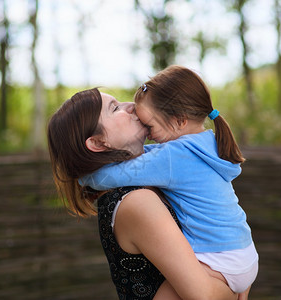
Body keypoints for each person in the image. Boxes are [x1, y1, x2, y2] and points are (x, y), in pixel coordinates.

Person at [80, 65, 259, 295]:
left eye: (150, 126)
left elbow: (117, 174)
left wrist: (85, 176)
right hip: (244, 252)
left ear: (179, 121)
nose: (150, 135)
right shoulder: (208, 143)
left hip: (217, 258)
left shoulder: (173, 157)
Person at [47, 88, 237, 300]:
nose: (131, 105)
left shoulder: (147, 182)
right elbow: (205, 296)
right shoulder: (137, 201)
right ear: (99, 142)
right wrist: (238, 278)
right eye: (115, 108)